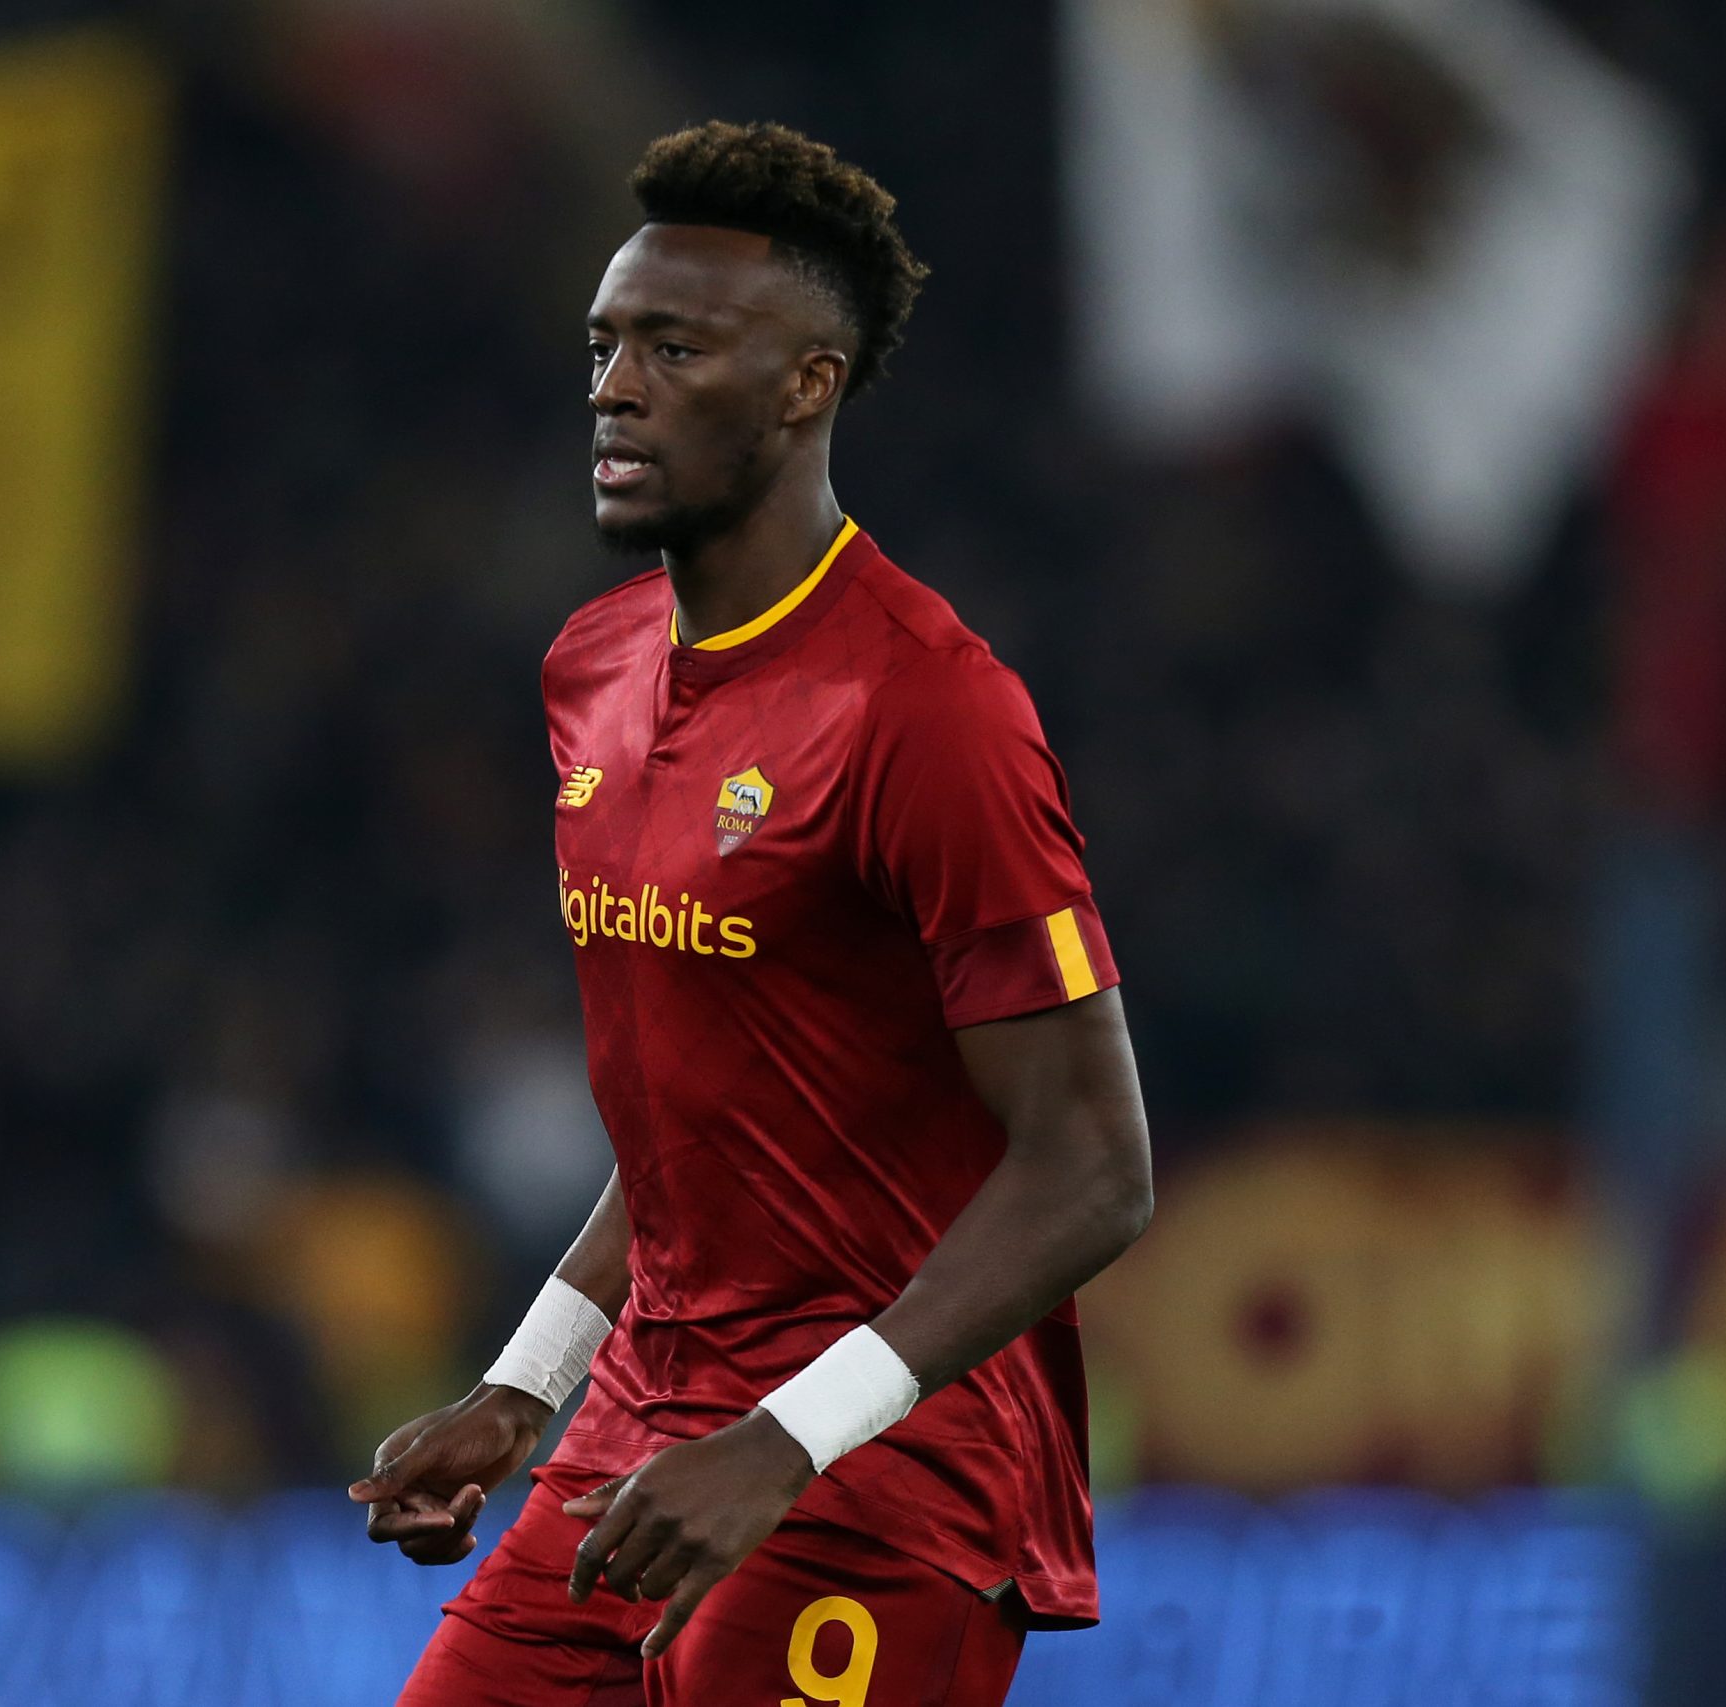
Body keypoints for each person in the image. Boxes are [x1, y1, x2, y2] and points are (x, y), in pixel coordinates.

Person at [351, 121, 1153, 1707]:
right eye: (602, 345)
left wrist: (784, 1436)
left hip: (877, 1474)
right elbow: (701, 1127)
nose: (612, 386)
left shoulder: (929, 710)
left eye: (673, 347)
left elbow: (1095, 1169)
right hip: (644, 1430)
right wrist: (526, 1389)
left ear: (807, 384)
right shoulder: (591, 666)